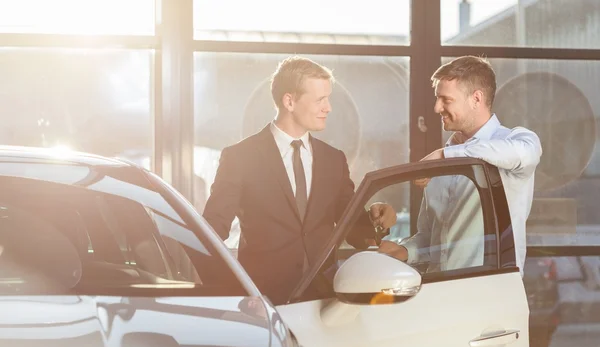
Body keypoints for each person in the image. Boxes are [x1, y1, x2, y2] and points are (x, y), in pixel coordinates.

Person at [203, 56, 396, 304]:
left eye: (328, 98)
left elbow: (356, 232)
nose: (329, 108)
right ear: (289, 101)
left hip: (325, 300)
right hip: (263, 302)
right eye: (320, 100)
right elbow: (212, 229)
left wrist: (378, 219)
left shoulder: (333, 160)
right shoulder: (240, 157)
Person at [378, 55, 542, 275]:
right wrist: (405, 250)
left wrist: (445, 156)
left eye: (446, 100)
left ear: (476, 99)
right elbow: (432, 238)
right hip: (439, 291)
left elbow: (526, 153)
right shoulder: (441, 158)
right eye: (437, 98)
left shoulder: (516, 141)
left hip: (491, 294)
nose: (437, 108)